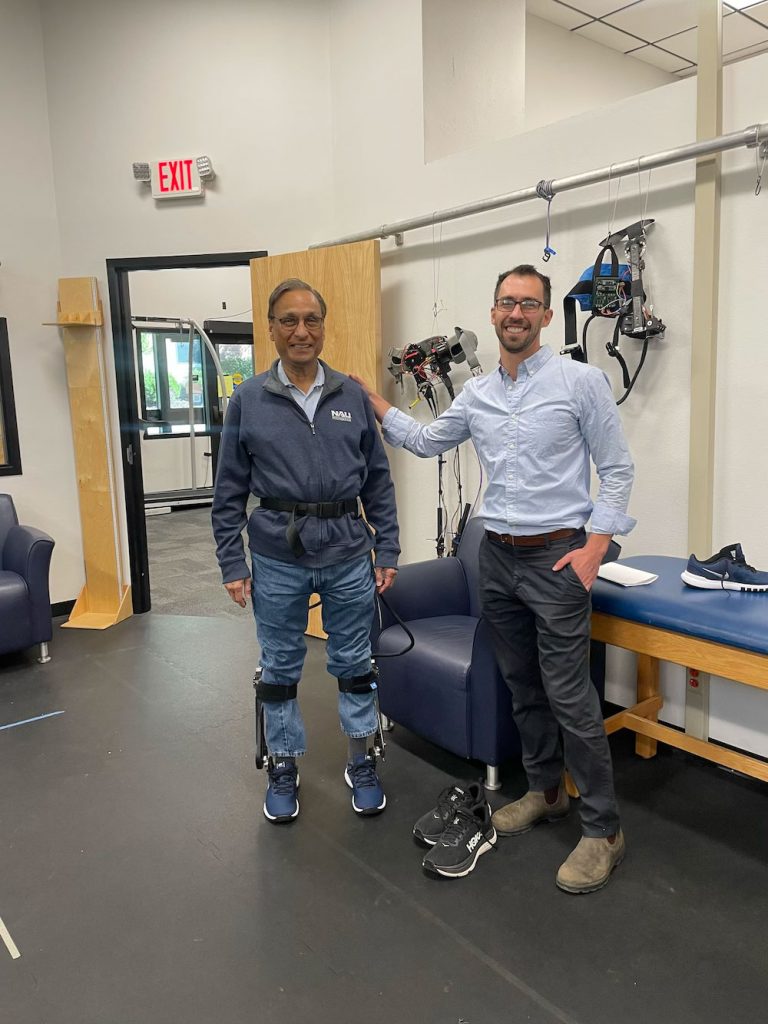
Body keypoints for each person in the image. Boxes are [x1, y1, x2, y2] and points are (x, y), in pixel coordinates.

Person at [353, 264, 635, 893]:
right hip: (496, 556)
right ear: (492, 312)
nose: (516, 314)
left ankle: (603, 830)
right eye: (507, 302)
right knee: (521, 684)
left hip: (558, 556)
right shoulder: (477, 394)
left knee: (569, 694)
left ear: (544, 315)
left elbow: (617, 468)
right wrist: (376, 405)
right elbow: (428, 441)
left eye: (528, 305)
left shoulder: (579, 381)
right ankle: (544, 791)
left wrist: (595, 547)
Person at [212, 278, 399, 825]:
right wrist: (231, 561)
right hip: (275, 556)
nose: (301, 331)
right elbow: (228, 490)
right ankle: (283, 768)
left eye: (311, 320)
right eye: (288, 321)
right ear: (271, 329)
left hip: (347, 552)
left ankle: (362, 761)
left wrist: (386, 547)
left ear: (323, 326)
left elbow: (379, 483)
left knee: (354, 663)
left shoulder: (350, 396)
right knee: (279, 668)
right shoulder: (248, 400)